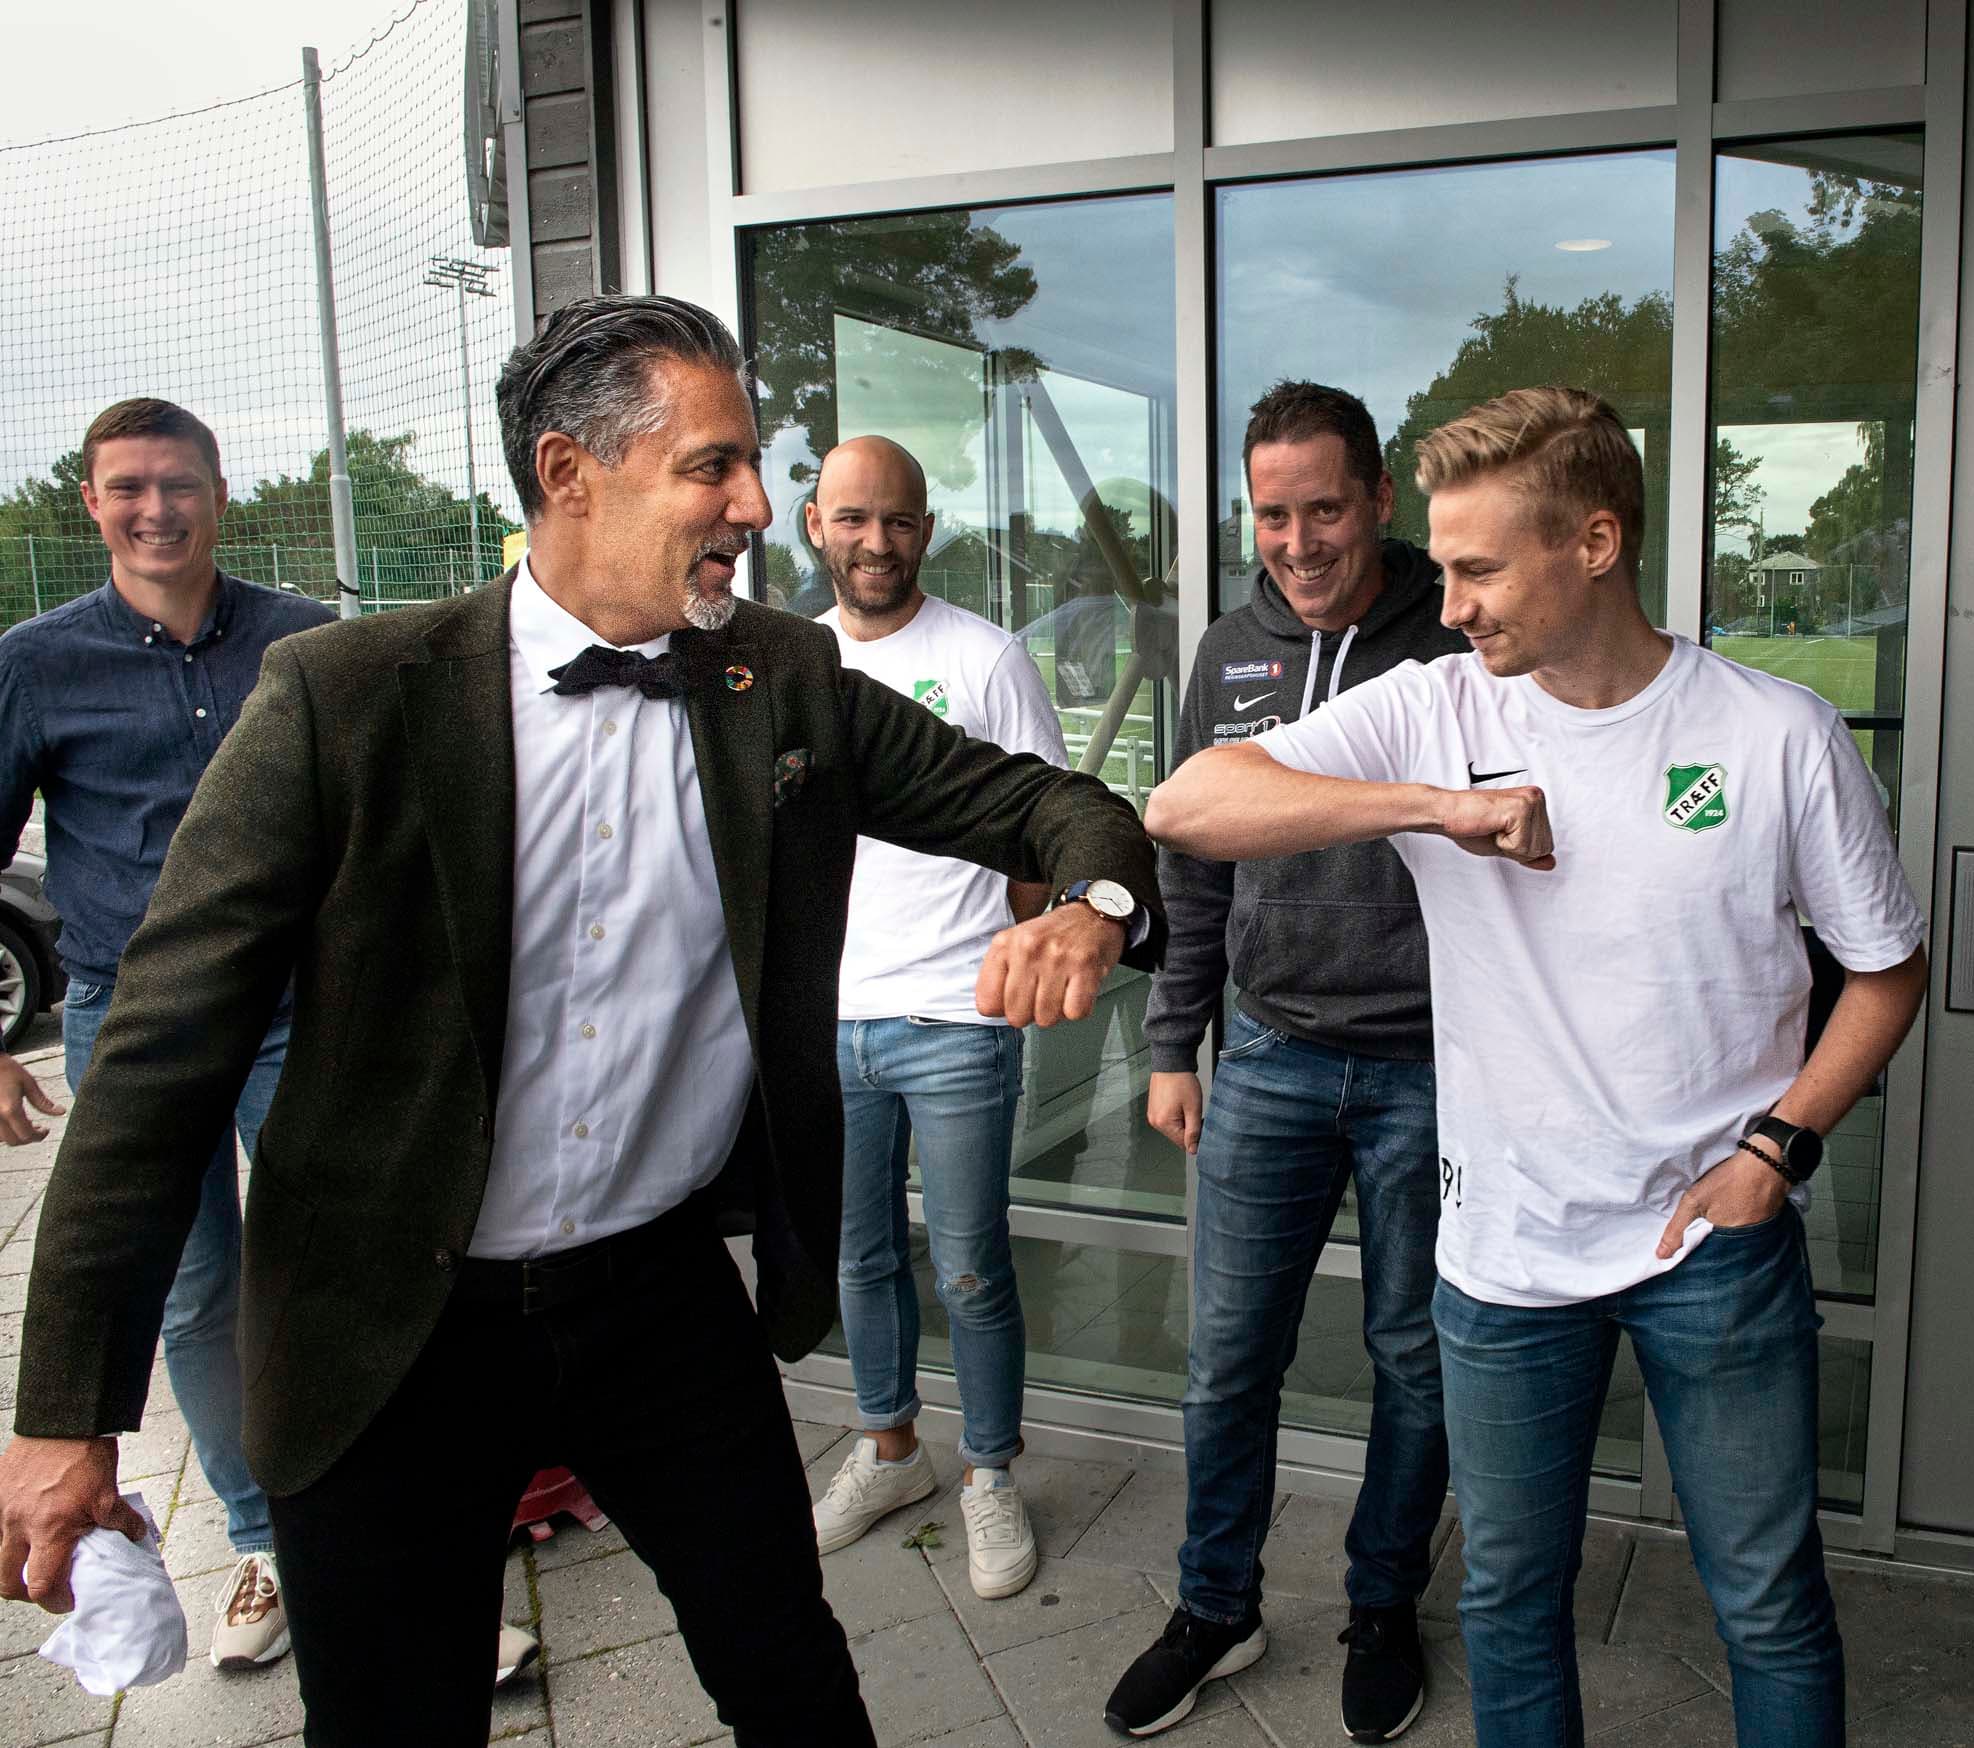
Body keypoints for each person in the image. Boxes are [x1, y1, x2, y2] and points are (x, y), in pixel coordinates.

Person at [0, 295, 1163, 1746]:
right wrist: (64, 1414)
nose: (756, 507)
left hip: (658, 1299)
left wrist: (1091, 903)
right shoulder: (342, 698)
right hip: (389, 1319)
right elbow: (156, 1062)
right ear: (569, 474)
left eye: (750, 466)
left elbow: (1052, 804)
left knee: (798, 1687)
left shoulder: (785, 680)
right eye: (711, 467)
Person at [1143, 386, 1928, 1748]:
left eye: (1479, 570)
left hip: (1714, 1241)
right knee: (1509, 1597)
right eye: (1443, 569)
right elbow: (1185, 802)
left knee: (1765, 1599)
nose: (1448, 604)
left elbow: (1886, 968)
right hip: (1503, 1253)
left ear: (1595, 543)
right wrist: (1441, 808)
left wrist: (1780, 1146)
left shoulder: (1775, 732)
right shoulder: (1435, 708)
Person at [1104, 382, 1466, 1742]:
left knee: (1413, 1358)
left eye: (1324, 509)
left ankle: (1383, 1604)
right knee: (1228, 1358)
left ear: (1379, 499)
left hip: (1430, 1068)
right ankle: (1217, 1606)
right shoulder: (1229, 652)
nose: (1299, 542)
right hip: (1266, 1055)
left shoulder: (1454, 636)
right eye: (1271, 515)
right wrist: (1173, 1043)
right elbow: (1192, 866)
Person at [0, 398, 333, 1671]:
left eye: (178, 482)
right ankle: (262, 1539)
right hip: (133, 1025)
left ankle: (362, 1527)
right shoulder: (35, 663)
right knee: (193, 1292)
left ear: (219, 493)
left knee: (328, 1271)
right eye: (129, 487)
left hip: (296, 1011)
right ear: (91, 502)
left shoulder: (304, 642)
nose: (156, 508)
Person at [800, 435, 1067, 1600]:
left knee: (967, 1267)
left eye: (899, 520)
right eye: (854, 518)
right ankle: (890, 1448)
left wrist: (1015, 941)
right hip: (829, 1016)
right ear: (816, 525)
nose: (877, 541)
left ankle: (989, 1473)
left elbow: (1047, 818)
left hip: (956, 1015)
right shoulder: (791, 661)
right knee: (858, 1255)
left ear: (927, 529)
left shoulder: (983, 656)